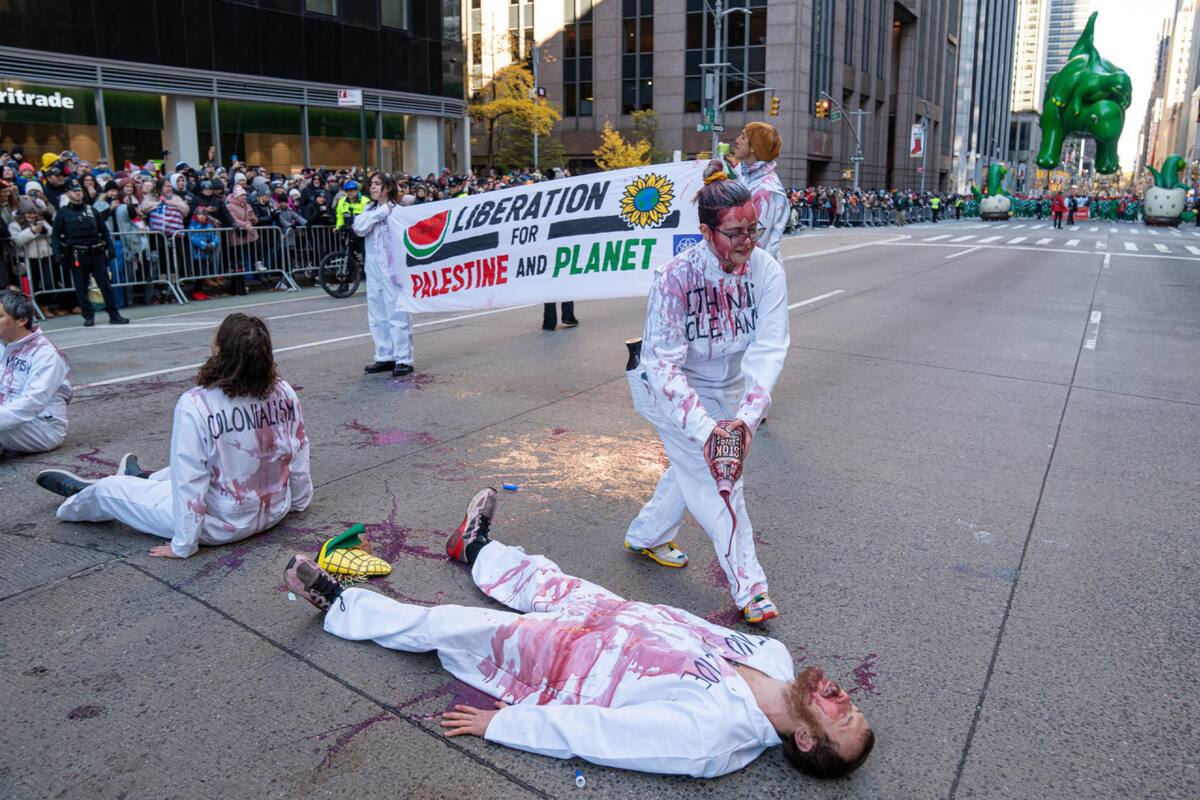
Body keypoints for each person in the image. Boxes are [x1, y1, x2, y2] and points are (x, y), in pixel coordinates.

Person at [284, 488, 874, 779]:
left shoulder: (714, 739)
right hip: (615, 616)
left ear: (804, 739)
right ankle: (476, 548)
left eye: (841, 717)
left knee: (454, 626)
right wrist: (623, 610)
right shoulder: (774, 655)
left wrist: (506, 725)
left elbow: (602, 735)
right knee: (540, 577)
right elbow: (687, 625)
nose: (843, 697)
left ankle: (341, 605)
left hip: (568, 666)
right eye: (851, 706)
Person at [624, 170, 789, 624]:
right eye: (735, 233)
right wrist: (708, 431)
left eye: (753, 229)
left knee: (688, 470)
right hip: (669, 390)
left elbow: (770, 348)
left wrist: (747, 419)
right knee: (719, 477)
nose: (747, 241)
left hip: (727, 390)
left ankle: (646, 535)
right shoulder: (675, 277)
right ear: (705, 231)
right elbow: (662, 365)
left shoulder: (767, 272)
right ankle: (751, 587)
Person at [36, 313, 312, 558]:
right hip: (273, 510)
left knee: (109, 490)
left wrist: (183, 544)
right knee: (178, 471)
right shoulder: (284, 392)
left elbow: (190, 479)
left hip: (220, 524)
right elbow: (298, 450)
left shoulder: (197, 403)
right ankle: (141, 479)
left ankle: (80, 496)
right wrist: (299, 502)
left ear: (220, 350)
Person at [354, 172, 414, 377]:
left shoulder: (399, 211)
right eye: (371, 183)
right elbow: (359, 228)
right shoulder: (369, 210)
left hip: (393, 269)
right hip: (373, 270)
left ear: (387, 188)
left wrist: (387, 211)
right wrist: (381, 212)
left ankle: (403, 358)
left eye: (377, 184)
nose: (372, 187)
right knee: (377, 314)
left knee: (397, 313)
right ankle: (384, 356)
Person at [0, 290, 71, 456]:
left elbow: (32, 402)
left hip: (43, 427)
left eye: (0, 316)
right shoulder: (3, 345)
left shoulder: (46, 355)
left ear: (22, 319)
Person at [49, 179, 129, 327]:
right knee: (81, 288)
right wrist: (58, 253)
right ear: (68, 193)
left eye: (79, 190)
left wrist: (110, 248)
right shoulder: (63, 213)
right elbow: (55, 236)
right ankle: (88, 316)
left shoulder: (91, 210)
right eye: (74, 191)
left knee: (105, 286)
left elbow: (104, 231)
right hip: (77, 255)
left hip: (96, 253)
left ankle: (114, 314)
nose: (78, 193)